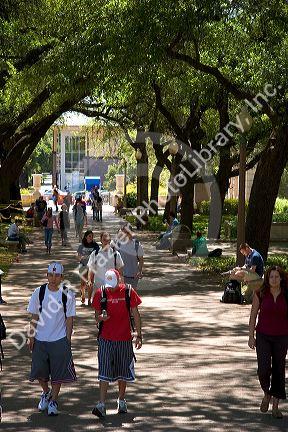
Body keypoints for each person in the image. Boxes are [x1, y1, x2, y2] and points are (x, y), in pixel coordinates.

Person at [91, 269, 142, 418]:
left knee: (122, 371)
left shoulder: (128, 292)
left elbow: (136, 314)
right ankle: (101, 404)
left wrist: (139, 335)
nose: (111, 287)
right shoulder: (101, 293)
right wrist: (101, 318)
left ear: (119, 280)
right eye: (109, 284)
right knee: (104, 370)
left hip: (124, 338)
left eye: (113, 283)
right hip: (105, 338)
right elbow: (96, 316)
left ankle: (121, 399)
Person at [27, 262, 76, 416]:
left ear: (62, 277)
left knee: (57, 372)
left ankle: (54, 400)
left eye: (57, 275)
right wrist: (31, 336)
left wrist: (68, 339)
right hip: (40, 338)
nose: (53, 278)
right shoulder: (39, 292)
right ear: (47, 275)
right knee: (39, 372)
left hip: (59, 338)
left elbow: (69, 319)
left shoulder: (67, 294)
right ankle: (46, 392)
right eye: (51, 275)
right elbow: (34, 316)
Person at [248, 266, 288, 419]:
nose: (274, 279)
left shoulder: (286, 294)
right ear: (267, 278)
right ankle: (267, 393)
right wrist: (251, 336)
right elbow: (253, 316)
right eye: (271, 277)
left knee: (279, 370)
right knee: (263, 369)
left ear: (281, 278)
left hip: (282, 337)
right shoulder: (261, 293)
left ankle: (276, 407)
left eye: (277, 277)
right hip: (263, 336)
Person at [87, 231, 124, 304]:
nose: (106, 242)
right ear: (101, 240)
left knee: (110, 308)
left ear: (110, 240)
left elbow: (120, 270)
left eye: (108, 240)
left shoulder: (116, 254)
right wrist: (89, 280)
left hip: (112, 287)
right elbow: (91, 269)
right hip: (98, 286)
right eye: (104, 240)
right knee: (98, 309)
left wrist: (121, 283)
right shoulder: (95, 253)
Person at [116, 223, 144, 289]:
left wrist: (139, 271)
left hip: (133, 276)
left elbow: (141, 260)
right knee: (122, 296)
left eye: (127, 232)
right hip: (122, 276)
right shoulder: (119, 244)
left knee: (131, 296)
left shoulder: (136, 244)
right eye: (123, 232)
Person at [77, 230, 99, 306]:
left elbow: (98, 256)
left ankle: (89, 299)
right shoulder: (81, 246)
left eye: (92, 236)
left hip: (92, 267)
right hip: (83, 266)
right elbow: (79, 257)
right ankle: (83, 294)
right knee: (83, 283)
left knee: (90, 283)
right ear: (86, 237)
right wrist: (86, 257)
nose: (91, 237)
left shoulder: (95, 245)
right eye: (89, 236)